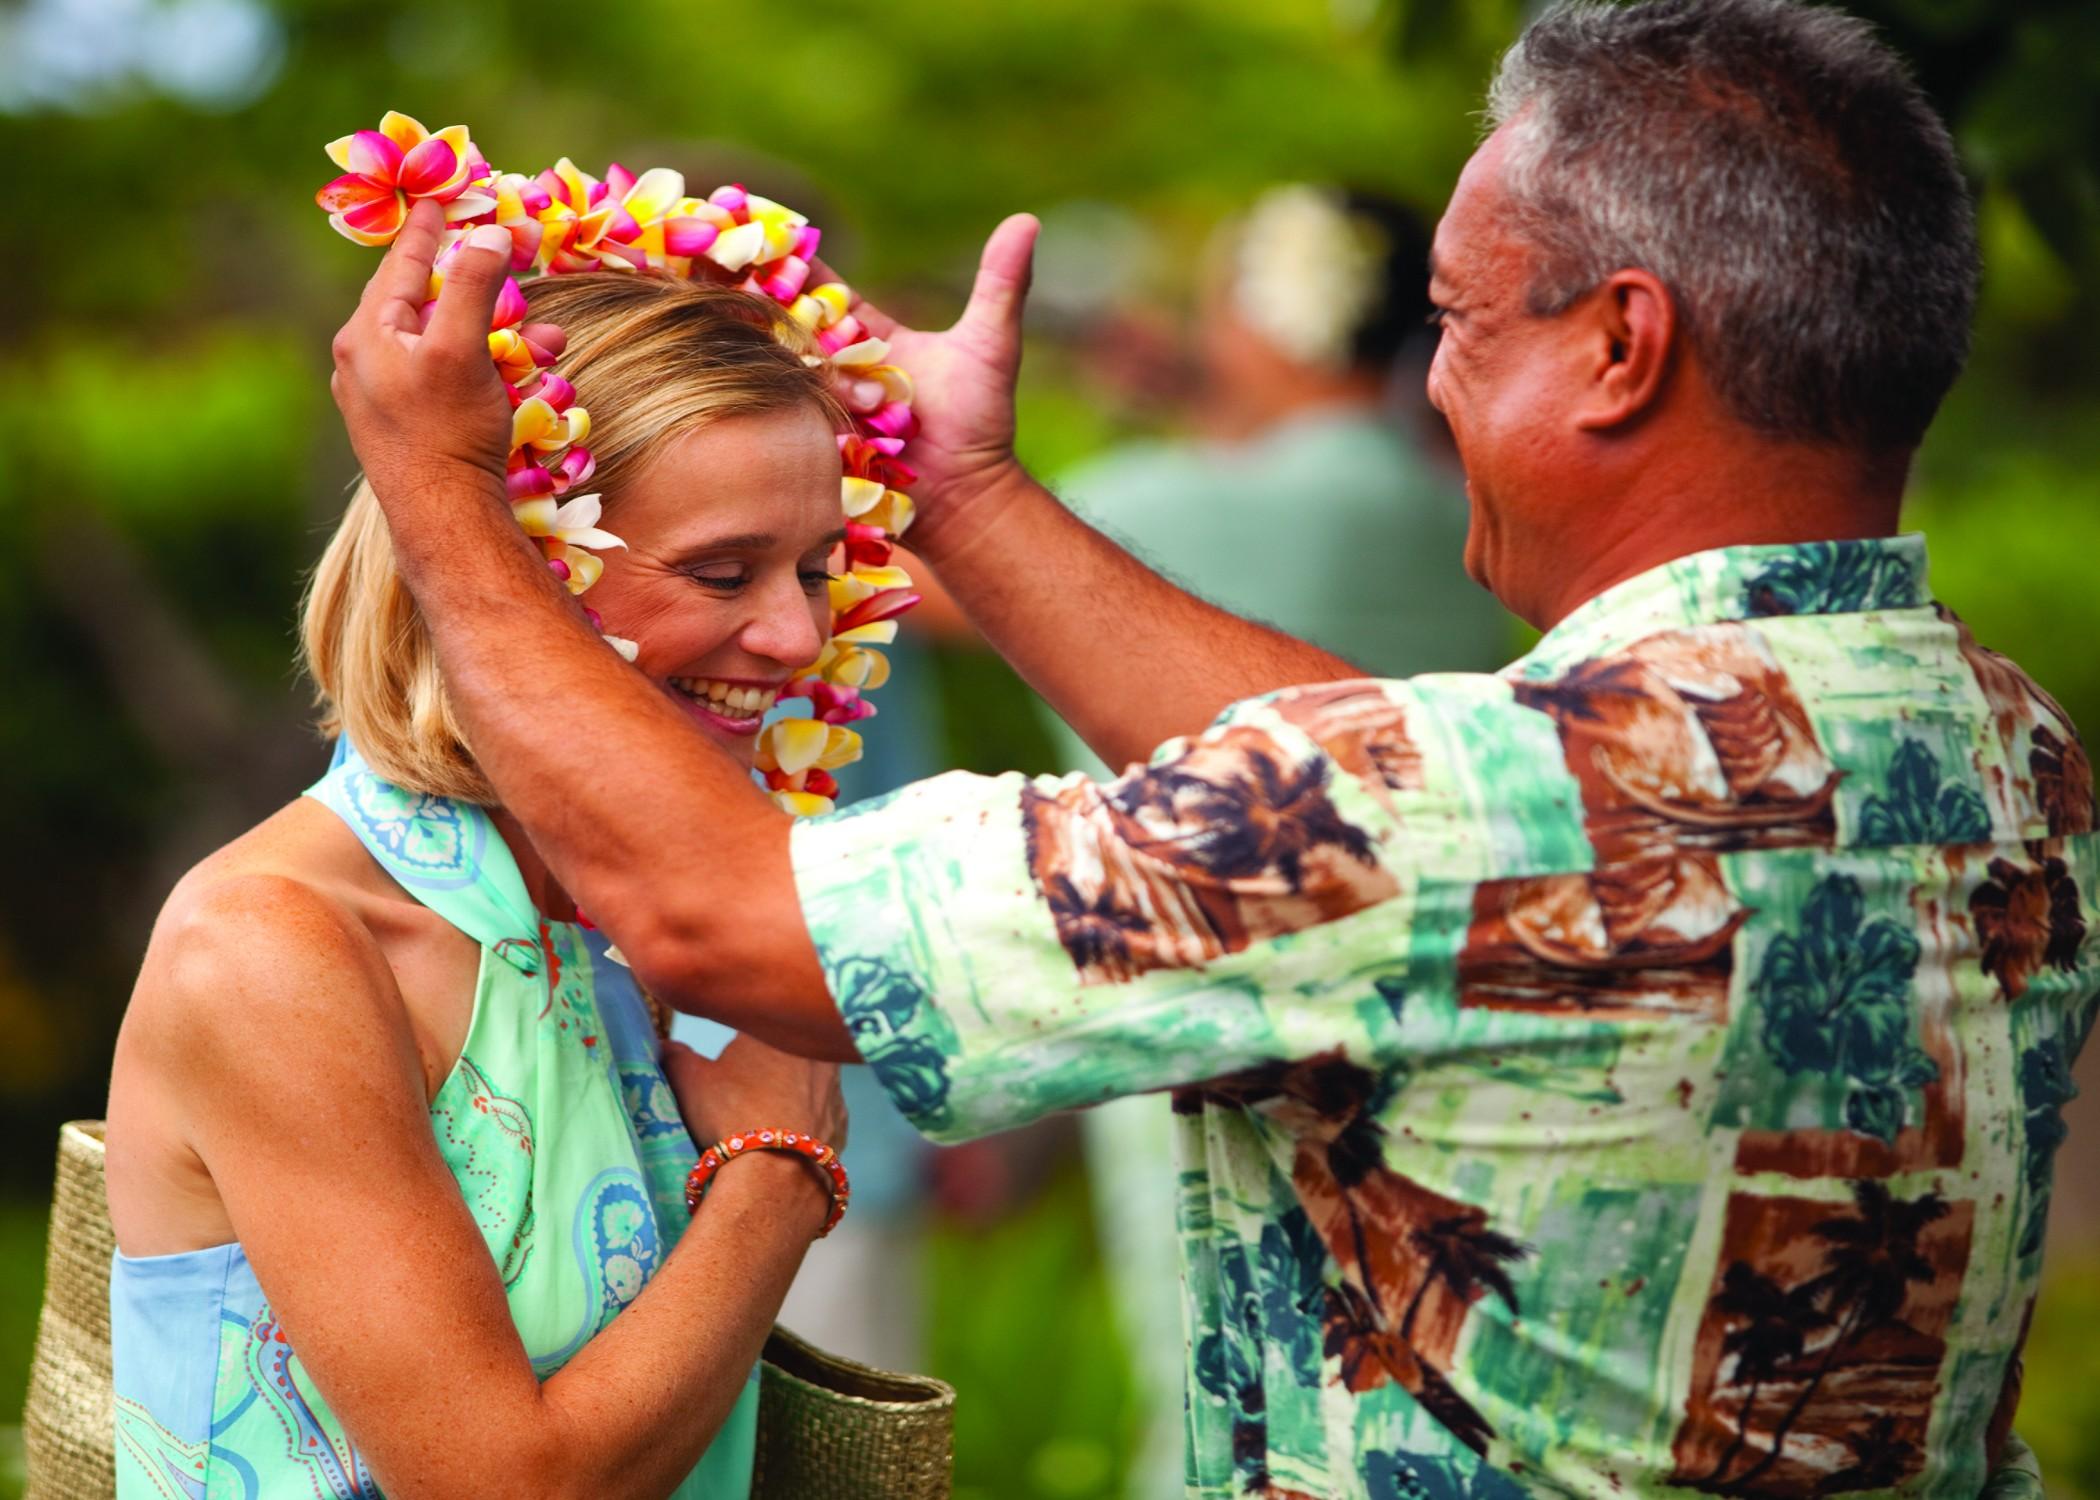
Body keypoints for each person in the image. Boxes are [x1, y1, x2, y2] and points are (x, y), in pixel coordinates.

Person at [330, 0, 2091, 1494]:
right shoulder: (2006, 750)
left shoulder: (1468, 812)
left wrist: (443, 489)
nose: (1433, 388)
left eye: (1465, 324)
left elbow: (727, 923)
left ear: (1621, 347)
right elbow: (1411, 788)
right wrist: (962, 499)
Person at [102, 275, 855, 1500]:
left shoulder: (624, 915)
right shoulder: (274, 945)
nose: (795, 637)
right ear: (509, 574)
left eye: (816, 571)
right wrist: (777, 1170)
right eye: (725, 575)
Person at [1047, 184, 1510, 1497]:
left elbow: (937, 562)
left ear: (1270, 316)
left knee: (1212, 1365)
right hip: (1434, 978)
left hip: (1193, 986)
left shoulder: (1151, 497)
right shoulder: (1442, 496)